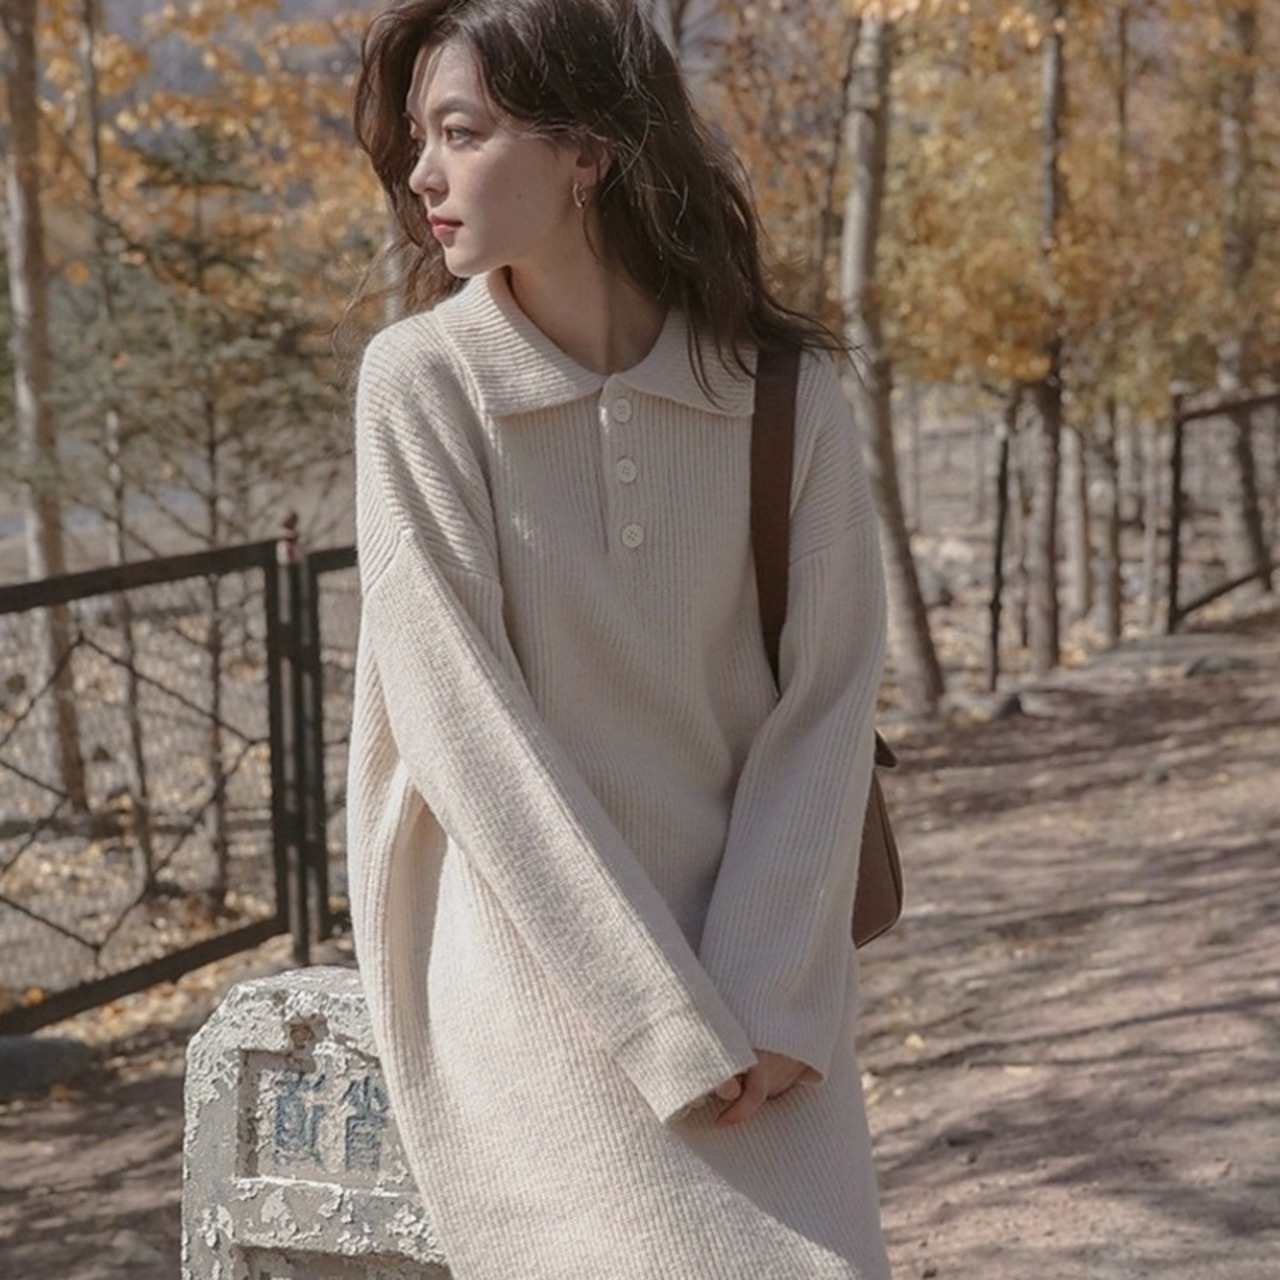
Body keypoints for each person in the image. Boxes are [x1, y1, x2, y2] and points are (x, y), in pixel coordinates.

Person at [346, 1, 891, 1275]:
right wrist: (658, 1019)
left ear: (586, 151)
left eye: (460, 132)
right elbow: (462, 732)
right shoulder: (423, 384)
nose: (421, 174)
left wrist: (771, 994)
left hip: (759, 965)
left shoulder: (780, 393)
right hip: (534, 975)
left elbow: (826, 702)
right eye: (418, 138)